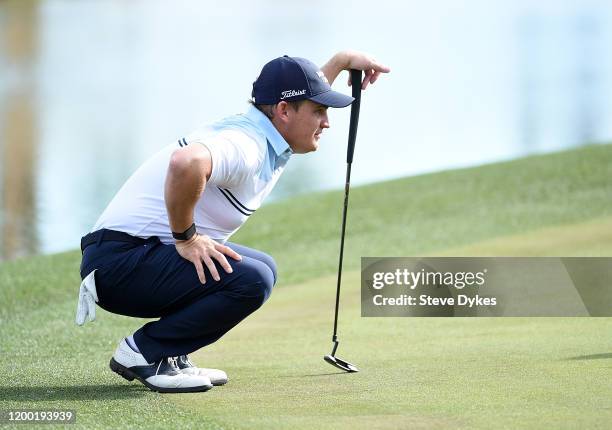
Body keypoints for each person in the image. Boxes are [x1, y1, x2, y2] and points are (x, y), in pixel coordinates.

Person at [77, 50, 390, 393]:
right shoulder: (247, 144)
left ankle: (172, 353)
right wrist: (187, 238)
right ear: (283, 111)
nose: (326, 122)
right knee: (252, 280)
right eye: (319, 111)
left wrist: (342, 60)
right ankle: (144, 352)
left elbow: (299, 97)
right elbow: (186, 163)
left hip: (133, 258)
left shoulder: (269, 129)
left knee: (263, 267)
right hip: (119, 266)